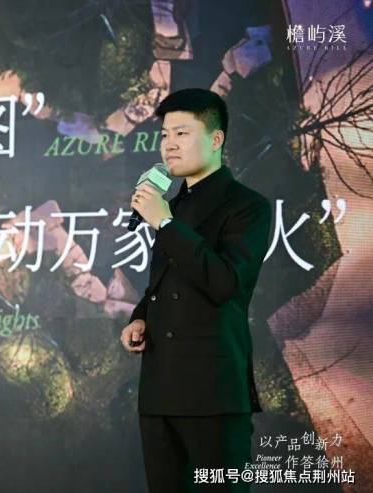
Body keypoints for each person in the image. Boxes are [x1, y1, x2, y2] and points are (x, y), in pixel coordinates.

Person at [119, 88, 273, 492]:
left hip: (212, 393)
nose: (169, 144)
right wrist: (140, 317)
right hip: (159, 391)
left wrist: (166, 224)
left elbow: (225, 283)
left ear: (216, 139)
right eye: (165, 135)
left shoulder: (248, 206)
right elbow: (166, 282)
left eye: (182, 133)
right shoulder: (170, 207)